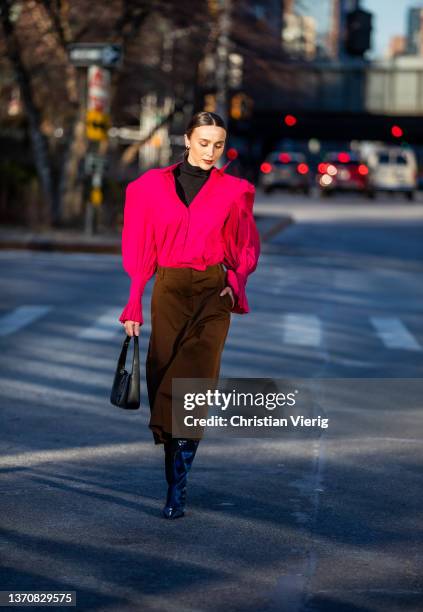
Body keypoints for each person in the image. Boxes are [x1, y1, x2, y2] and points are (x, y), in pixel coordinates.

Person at [118, 111, 261, 519]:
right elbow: (139, 246)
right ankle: (172, 474)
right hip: (169, 289)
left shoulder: (235, 191)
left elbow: (244, 243)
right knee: (165, 375)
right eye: (204, 143)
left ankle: (176, 491)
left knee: (193, 384)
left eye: (218, 144)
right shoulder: (149, 187)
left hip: (213, 293)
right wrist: (133, 299)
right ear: (187, 139)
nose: (211, 152)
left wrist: (237, 278)